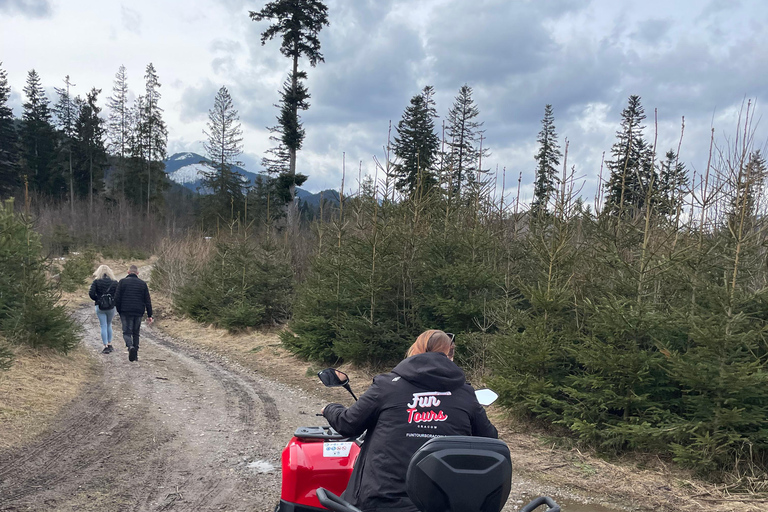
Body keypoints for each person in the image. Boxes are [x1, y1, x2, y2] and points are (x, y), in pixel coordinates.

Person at [322, 330, 498, 512]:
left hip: (381, 501)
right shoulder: (465, 394)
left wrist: (329, 408)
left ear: (415, 350)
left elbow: (348, 424)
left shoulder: (387, 385)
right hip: (443, 504)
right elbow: (490, 440)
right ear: (450, 356)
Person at [114, 265, 153, 362]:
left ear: (128, 272)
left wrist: (119, 310)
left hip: (125, 311)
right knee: (136, 333)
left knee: (126, 332)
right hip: (139, 311)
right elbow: (147, 300)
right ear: (137, 273)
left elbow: (117, 298)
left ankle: (130, 346)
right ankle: (135, 354)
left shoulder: (122, 282)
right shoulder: (143, 284)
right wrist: (149, 315)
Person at [88, 265, 118, 354]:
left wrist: (97, 299)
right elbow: (118, 294)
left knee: (103, 325)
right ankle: (110, 343)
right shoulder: (114, 282)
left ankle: (105, 345)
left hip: (100, 306)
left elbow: (91, 293)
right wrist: (113, 302)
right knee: (109, 324)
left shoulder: (96, 282)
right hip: (111, 307)